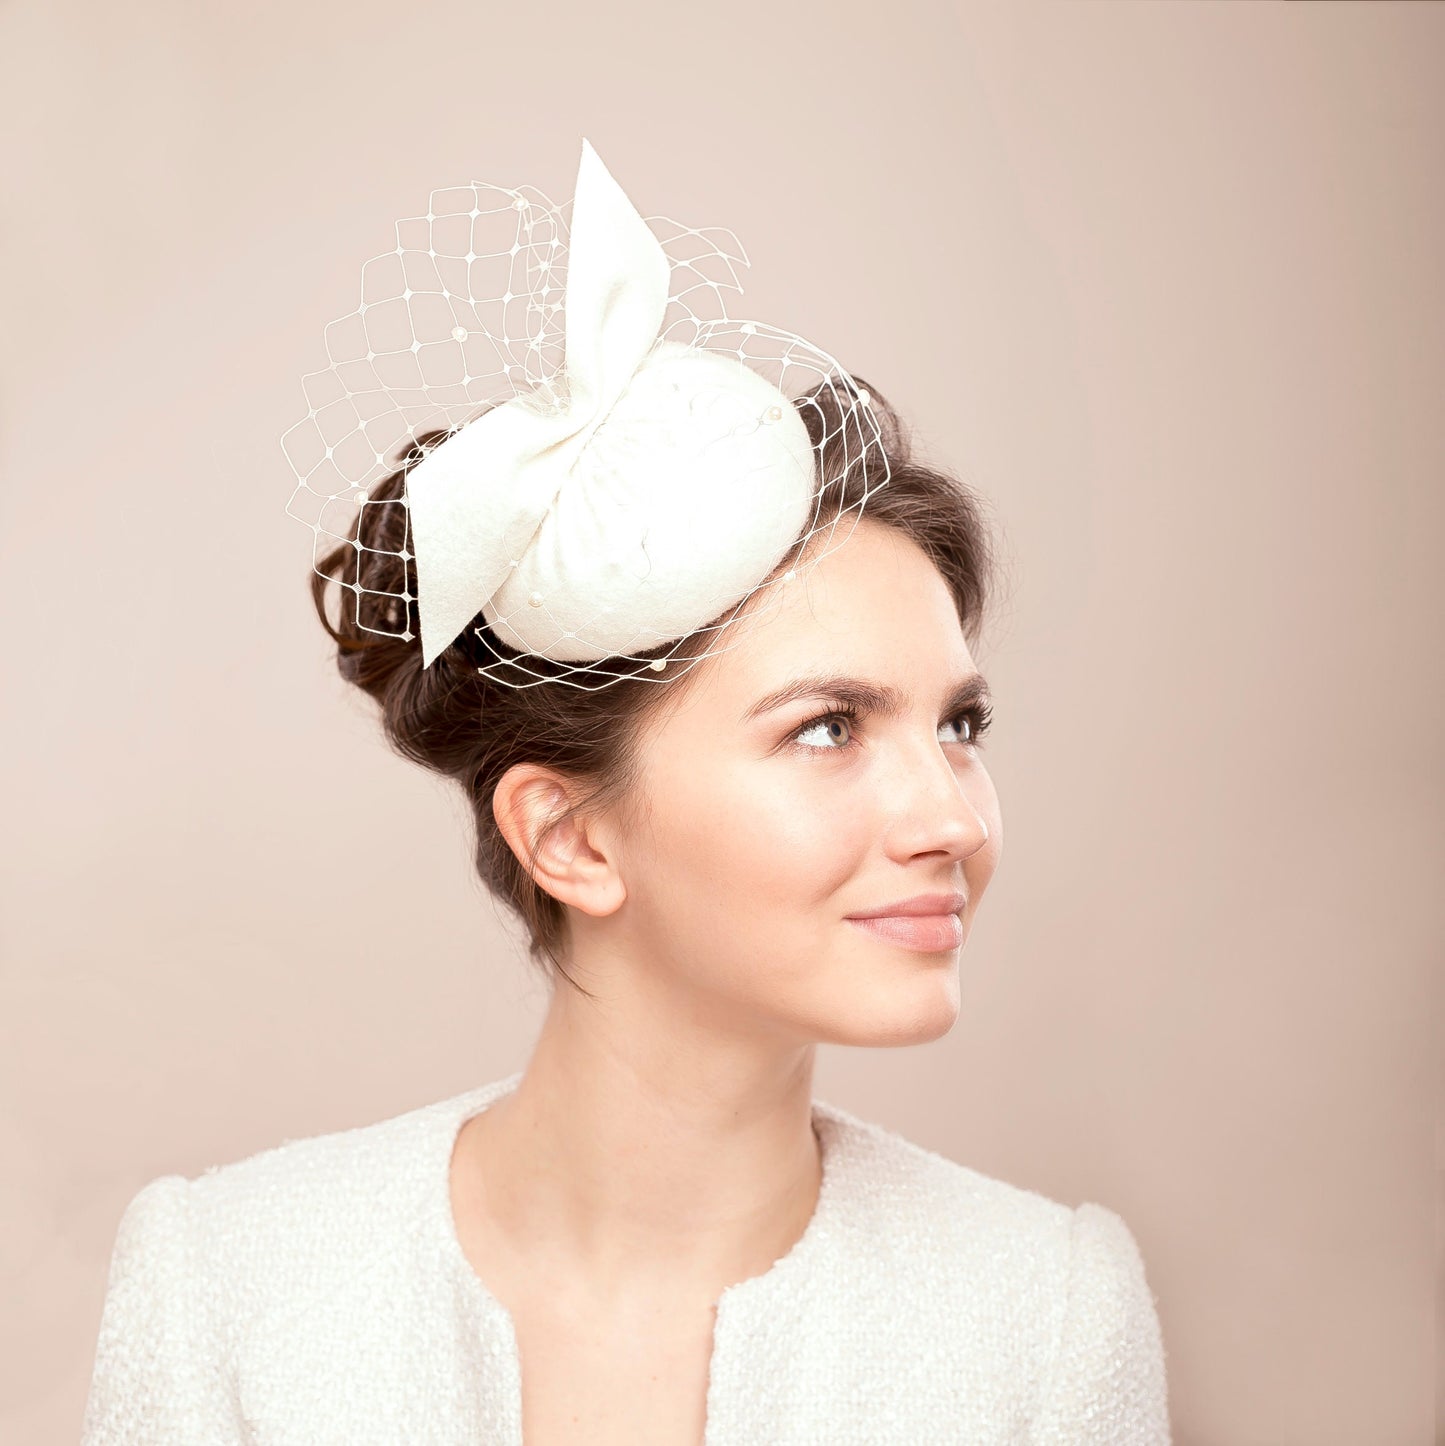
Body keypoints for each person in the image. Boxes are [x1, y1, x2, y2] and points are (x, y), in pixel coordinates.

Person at [80, 141, 1170, 1444]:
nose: (953, 818)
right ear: (569, 835)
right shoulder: (227, 1293)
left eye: (959, 725)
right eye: (828, 728)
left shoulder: (1046, 1316)